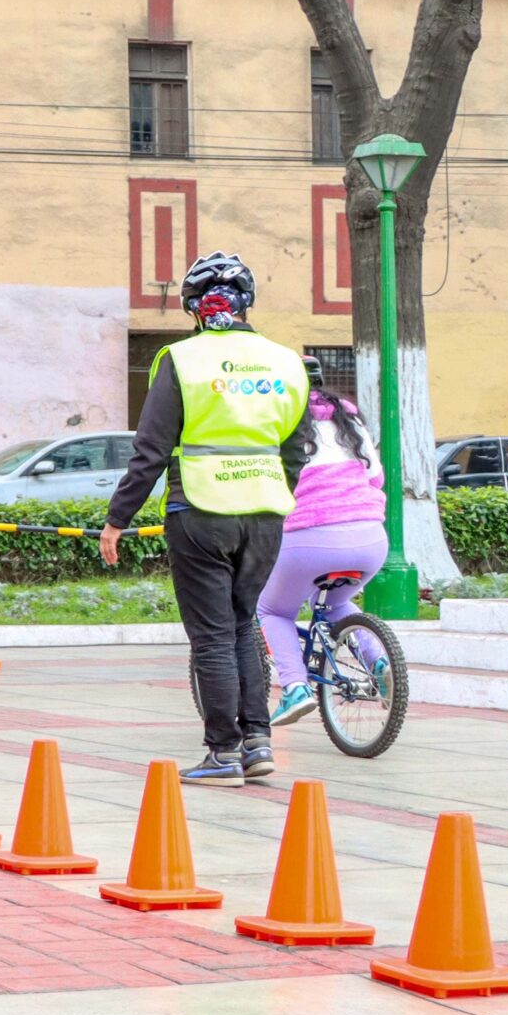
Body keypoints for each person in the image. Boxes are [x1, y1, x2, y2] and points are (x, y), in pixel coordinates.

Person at [100, 251, 311, 786]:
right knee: (243, 623)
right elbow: (298, 448)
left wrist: (117, 519)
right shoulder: (286, 362)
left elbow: (150, 449)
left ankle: (223, 752)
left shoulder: (181, 359)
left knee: (213, 636)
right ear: (247, 304)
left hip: (199, 510)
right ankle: (257, 742)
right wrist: (273, 490)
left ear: (193, 307)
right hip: (265, 513)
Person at [259, 360, 387, 724]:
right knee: (337, 601)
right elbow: (376, 479)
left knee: (273, 611)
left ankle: (295, 689)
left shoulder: (274, 423)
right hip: (370, 537)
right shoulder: (349, 420)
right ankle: (381, 664)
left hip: (309, 538)